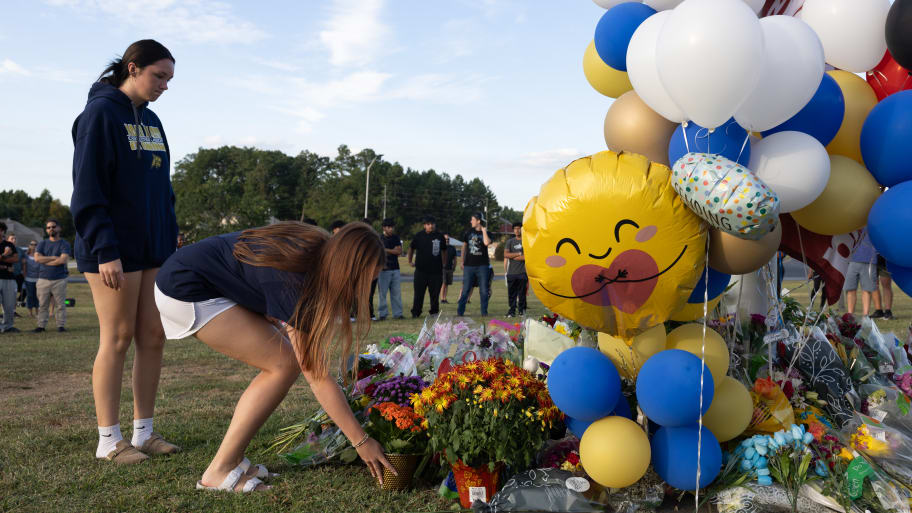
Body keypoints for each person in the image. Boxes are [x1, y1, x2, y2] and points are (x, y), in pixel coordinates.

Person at [155, 221, 395, 492]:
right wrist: (361, 441)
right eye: (363, 283)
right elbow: (316, 376)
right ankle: (219, 471)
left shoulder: (318, 247)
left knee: (285, 362)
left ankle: (233, 460)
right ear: (347, 270)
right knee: (282, 365)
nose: (362, 292)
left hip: (196, 275)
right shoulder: (296, 281)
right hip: (186, 287)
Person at [71, 40, 179, 464]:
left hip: (152, 248)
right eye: (159, 76)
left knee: (153, 336)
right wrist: (104, 248)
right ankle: (107, 440)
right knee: (116, 338)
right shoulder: (99, 113)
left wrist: (169, 239)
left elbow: (162, 189)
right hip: (110, 250)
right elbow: (88, 188)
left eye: (169, 79)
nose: (165, 86)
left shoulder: (152, 121)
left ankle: (144, 433)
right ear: (132, 68)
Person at [34, 219, 72, 332]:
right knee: (42, 305)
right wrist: (54, 258)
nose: (51, 229)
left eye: (53, 227)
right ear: (46, 230)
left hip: (59, 279)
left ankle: (61, 326)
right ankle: (41, 326)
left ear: (59, 228)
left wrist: (45, 260)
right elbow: (37, 258)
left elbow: (62, 260)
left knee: (60, 305)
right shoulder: (42, 243)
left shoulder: (64, 244)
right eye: (48, 227)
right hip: (43, 279)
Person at [408, 215, 446, 318]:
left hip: (436, 271)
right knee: (419, 294)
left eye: (433, 224)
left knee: (434, 294)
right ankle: (416, 312)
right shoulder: (419, 236)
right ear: (424, 225)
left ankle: (434, 312)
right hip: (421, 271)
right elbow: (411, 248)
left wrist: (444, 264)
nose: (431, 226)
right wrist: (410, 260)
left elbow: (444, 250)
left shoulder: (439, 236)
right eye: (428, 224)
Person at [457, 212, 491, 317]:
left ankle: (484, 312)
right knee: (466, 289)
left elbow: (486, 243)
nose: (470, 221)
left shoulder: (486, 232)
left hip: (483, 266)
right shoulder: (468, 232)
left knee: (484, 290)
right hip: (469, 266)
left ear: (478, 221)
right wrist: (462, 260)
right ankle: (460, 312)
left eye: (472, 219)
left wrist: (484, 231)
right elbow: (464, 247)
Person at [844, 231, 878, 317]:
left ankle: (865, 316)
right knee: (850, 289)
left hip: (869, 259)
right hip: (850, 259)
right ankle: (850, 315)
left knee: (867, 290)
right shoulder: (851, 222)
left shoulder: (873, 221)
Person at [376, 218, 404, 321]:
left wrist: (386, 250)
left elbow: (399, 251)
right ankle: (382, 314)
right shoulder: (379, 238)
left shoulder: (396, 238)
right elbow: (378, 252)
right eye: (389, 227)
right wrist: (393, 250)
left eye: (392, 227)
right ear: (384, 227)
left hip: (395, 268)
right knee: (382, 294)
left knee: (396, 293)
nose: (391, 229)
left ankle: (398, 314)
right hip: (383, 270)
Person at [503, 222, 527, 317]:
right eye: (515, 228)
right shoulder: (510, 242)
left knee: (522, 294)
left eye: (519, 228)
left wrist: (513, 256)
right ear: (513, 230)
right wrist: (518, 254)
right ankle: (512, 311)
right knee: (511, 294)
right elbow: (505, 255)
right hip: (511, 273)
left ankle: (522, 311)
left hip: (522, 272)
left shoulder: (526, 241)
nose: (517, 230)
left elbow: (527, 257)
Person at [0, 222, 20, 333]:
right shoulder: (8, 249)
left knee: (9, 304)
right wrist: (5, 254)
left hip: (9, 278)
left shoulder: (10, 244)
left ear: (3, 231)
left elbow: (16, 259)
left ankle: (8, 326)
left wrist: (2, 259)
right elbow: (10, 258)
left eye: (0, 230)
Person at [871, 255, 895, 320]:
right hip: (871, 259)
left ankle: (888, 311)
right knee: (874, 285)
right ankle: (878, 311)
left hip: (884, 258)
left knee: (886, 284)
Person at [8, 234, 25, 308]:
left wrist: (23, 272)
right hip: (7, 274)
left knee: (22, 290)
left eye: (15, 239)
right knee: (9, 293)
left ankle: (14, 309)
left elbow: (24, 262)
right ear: (8, 240)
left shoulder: (20, 250)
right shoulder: (4, 249)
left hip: (18, 274)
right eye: (12, 239)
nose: (14, 240)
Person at [23, 240, 40, 318]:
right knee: (30, 296)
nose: (33, 246)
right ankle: (30, 313)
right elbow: (24, 268)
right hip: (28, 279)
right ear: (29, 246)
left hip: (38, 279)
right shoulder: (26, 255)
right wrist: (25, 277)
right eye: (32, 244)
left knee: (37, 296)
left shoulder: (39, 255)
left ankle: (37, 312)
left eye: (35, 244)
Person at [440, 234, 457, 304]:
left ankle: (445, 298)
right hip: (442, 268)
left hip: (450, 268)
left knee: (447, 284)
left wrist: (454, 267)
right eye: (445, 239)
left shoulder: (452, 248)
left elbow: (455, 259)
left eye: (448, 239)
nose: (447, 240)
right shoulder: (441, 247)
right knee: (443, 283)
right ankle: (442, 299)